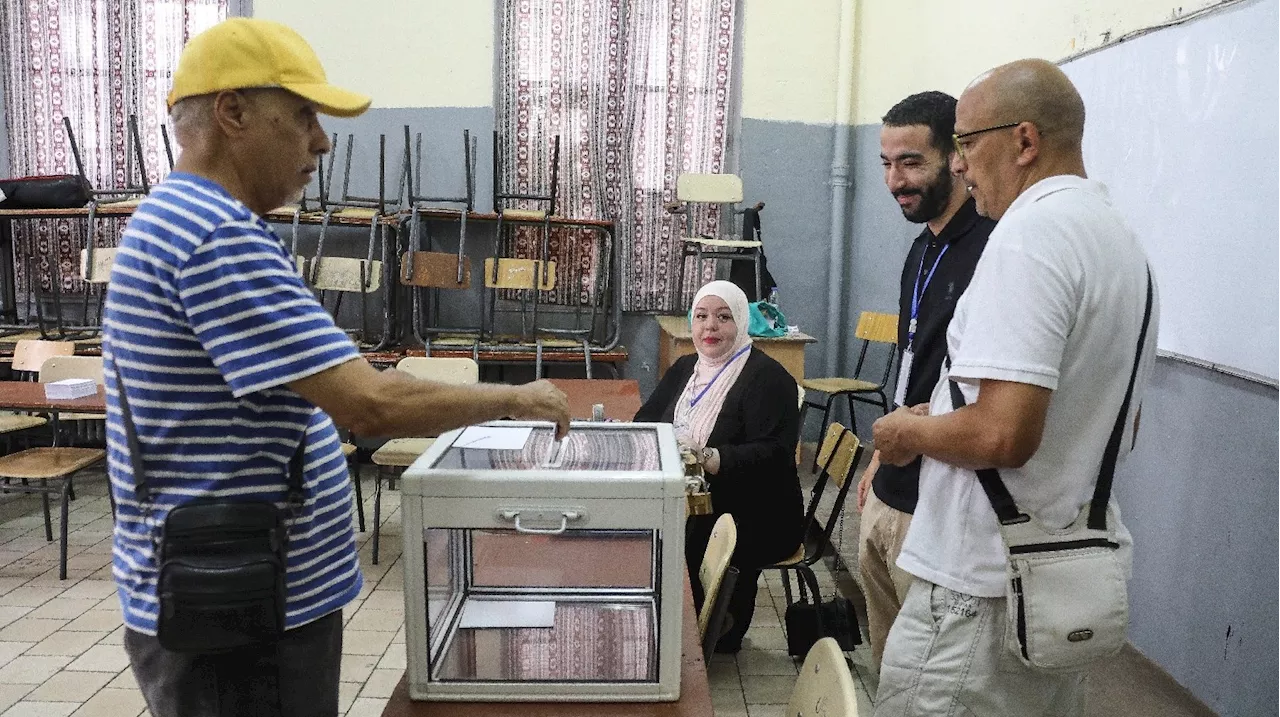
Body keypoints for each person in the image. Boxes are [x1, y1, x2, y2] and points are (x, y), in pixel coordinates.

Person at [103, 18, 570, 717]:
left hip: (228, 593)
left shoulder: (174, 216)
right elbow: (369, 405)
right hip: (242, 613)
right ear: (231, 112)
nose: (321, 139)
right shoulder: (216, 236)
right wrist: (517, 400)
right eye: (301, 116)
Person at [869, 58, 1158, 716]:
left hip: (978, 596)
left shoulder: (1029, 237)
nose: (962, 165)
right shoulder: (1122, 244)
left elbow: (1004, 432)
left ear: (1024, 141)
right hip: (1059, 586)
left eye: (967, 143)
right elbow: (1115, 421)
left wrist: (907, 430)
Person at [856, 91, 994, 672]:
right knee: (889, 665)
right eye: (886, 163)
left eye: (911, 162)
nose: (895, 181)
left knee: (926, 673)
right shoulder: (921, 249)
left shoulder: (993, 247)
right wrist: (875, 459)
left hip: (940, 499)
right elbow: (914, 362)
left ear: (956, 156)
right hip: (891, 482)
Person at [634, 280, 803, 653]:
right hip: (697, 494)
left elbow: (774, 455)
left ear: (741, 323)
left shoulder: (770, 379)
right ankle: (661, 621)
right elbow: (647, 418)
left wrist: (708, 457)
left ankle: (708, 630)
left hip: (758, 508)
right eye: (701, 316)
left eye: (723, 317)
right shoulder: (684, 369)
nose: (710, 327)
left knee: (679, 535)